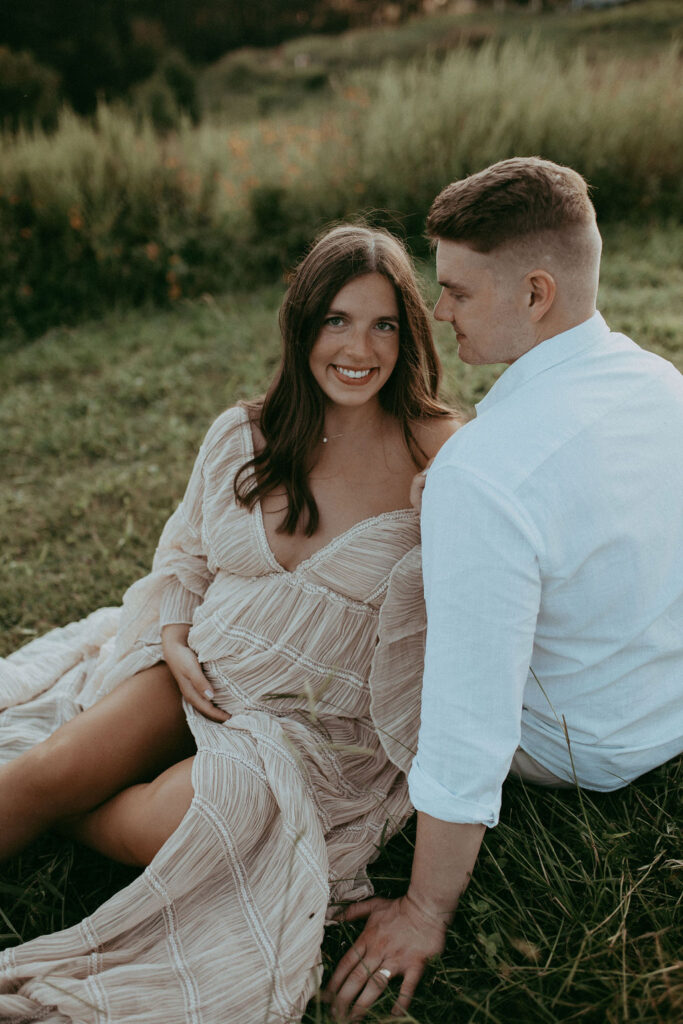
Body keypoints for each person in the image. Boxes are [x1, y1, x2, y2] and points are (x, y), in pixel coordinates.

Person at [0, 224, 459, 1023]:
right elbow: (183, 562)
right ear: (302, 324)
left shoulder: (441, 454)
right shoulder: (244, 434)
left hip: (313, 727)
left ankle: (85, 812)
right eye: (336, 321)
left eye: (383, 323)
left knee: (195, 817)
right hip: (204, 669)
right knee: (48, 768)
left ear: (408, 333)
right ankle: (67, 788)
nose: (359, 347)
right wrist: (173, 640)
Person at [327, 158, 683, 1021]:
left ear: (533, 293)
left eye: (454, 291)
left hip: (582, 743)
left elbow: (468, 714)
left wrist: (423, 911)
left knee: (356, 627)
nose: (437, 312)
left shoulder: (484, 474)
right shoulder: (659, 384)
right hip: (667, 699)